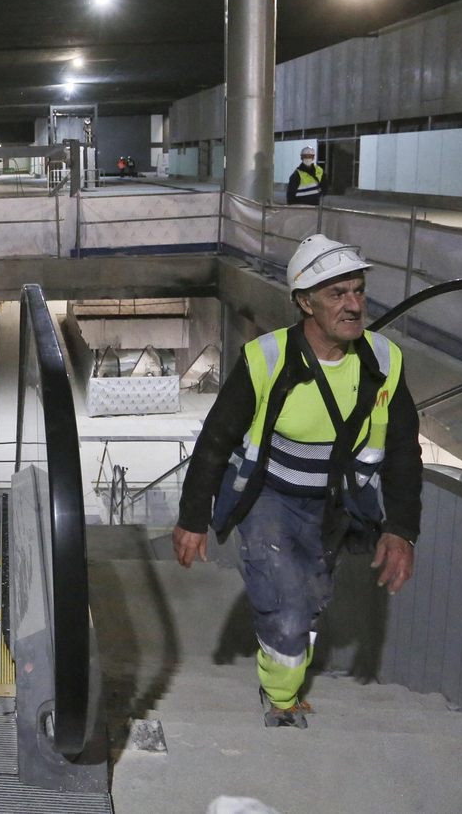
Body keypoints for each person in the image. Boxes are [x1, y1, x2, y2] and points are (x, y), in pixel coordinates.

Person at [171, 234, 421, 729]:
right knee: (285, 602)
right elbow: (216, 441)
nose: (353, 305)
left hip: (334, 508)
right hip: (270, 500)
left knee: (310, 600)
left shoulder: (385, 362)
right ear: (305, 303)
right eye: (337, 294)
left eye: (358, 291)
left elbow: (402, 453)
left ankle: (285, 671)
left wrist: (402, 529)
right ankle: (282, 700)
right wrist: (193, 518)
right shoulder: (266, 359)